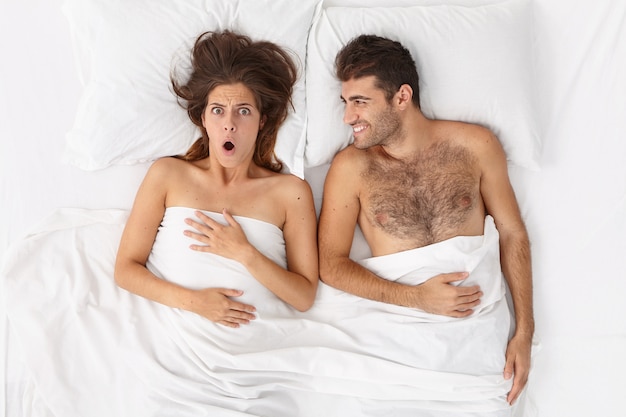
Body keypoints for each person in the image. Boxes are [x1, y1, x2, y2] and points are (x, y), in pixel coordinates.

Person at [318, 34, 534, 406]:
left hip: (477, 349)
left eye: (360, 102)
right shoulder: (351, 168)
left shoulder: (475, 146)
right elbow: (330, 265)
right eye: (346, 102)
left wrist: (525, 331)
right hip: (395, 344)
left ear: (402, 97)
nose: (347, 117)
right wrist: (416, 297)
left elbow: (512, 233)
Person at [115, 30, 319, 328]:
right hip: (174, 343)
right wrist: (196, 303)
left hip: (261, 351)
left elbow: (303, 298)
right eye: (218, 111)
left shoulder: (291, 193)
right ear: (204, 119)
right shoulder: (167, 174)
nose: (230, 125)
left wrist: (245, 253)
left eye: (244, 112)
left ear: (262, 122)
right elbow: (125, 270)